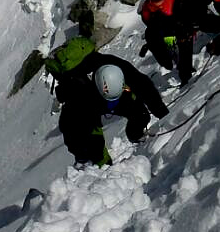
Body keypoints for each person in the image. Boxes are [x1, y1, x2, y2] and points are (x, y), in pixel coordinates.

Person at [48, 36, 167, 166]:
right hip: (89, 104)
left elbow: (141, 83)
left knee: (140, 114)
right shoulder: (78, 95)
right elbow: (83, 130)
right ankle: (88, 163)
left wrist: (162, 112)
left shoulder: (112, 65)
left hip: (110, 96)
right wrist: (102, 164)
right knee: (88, 145)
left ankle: (137, 137)